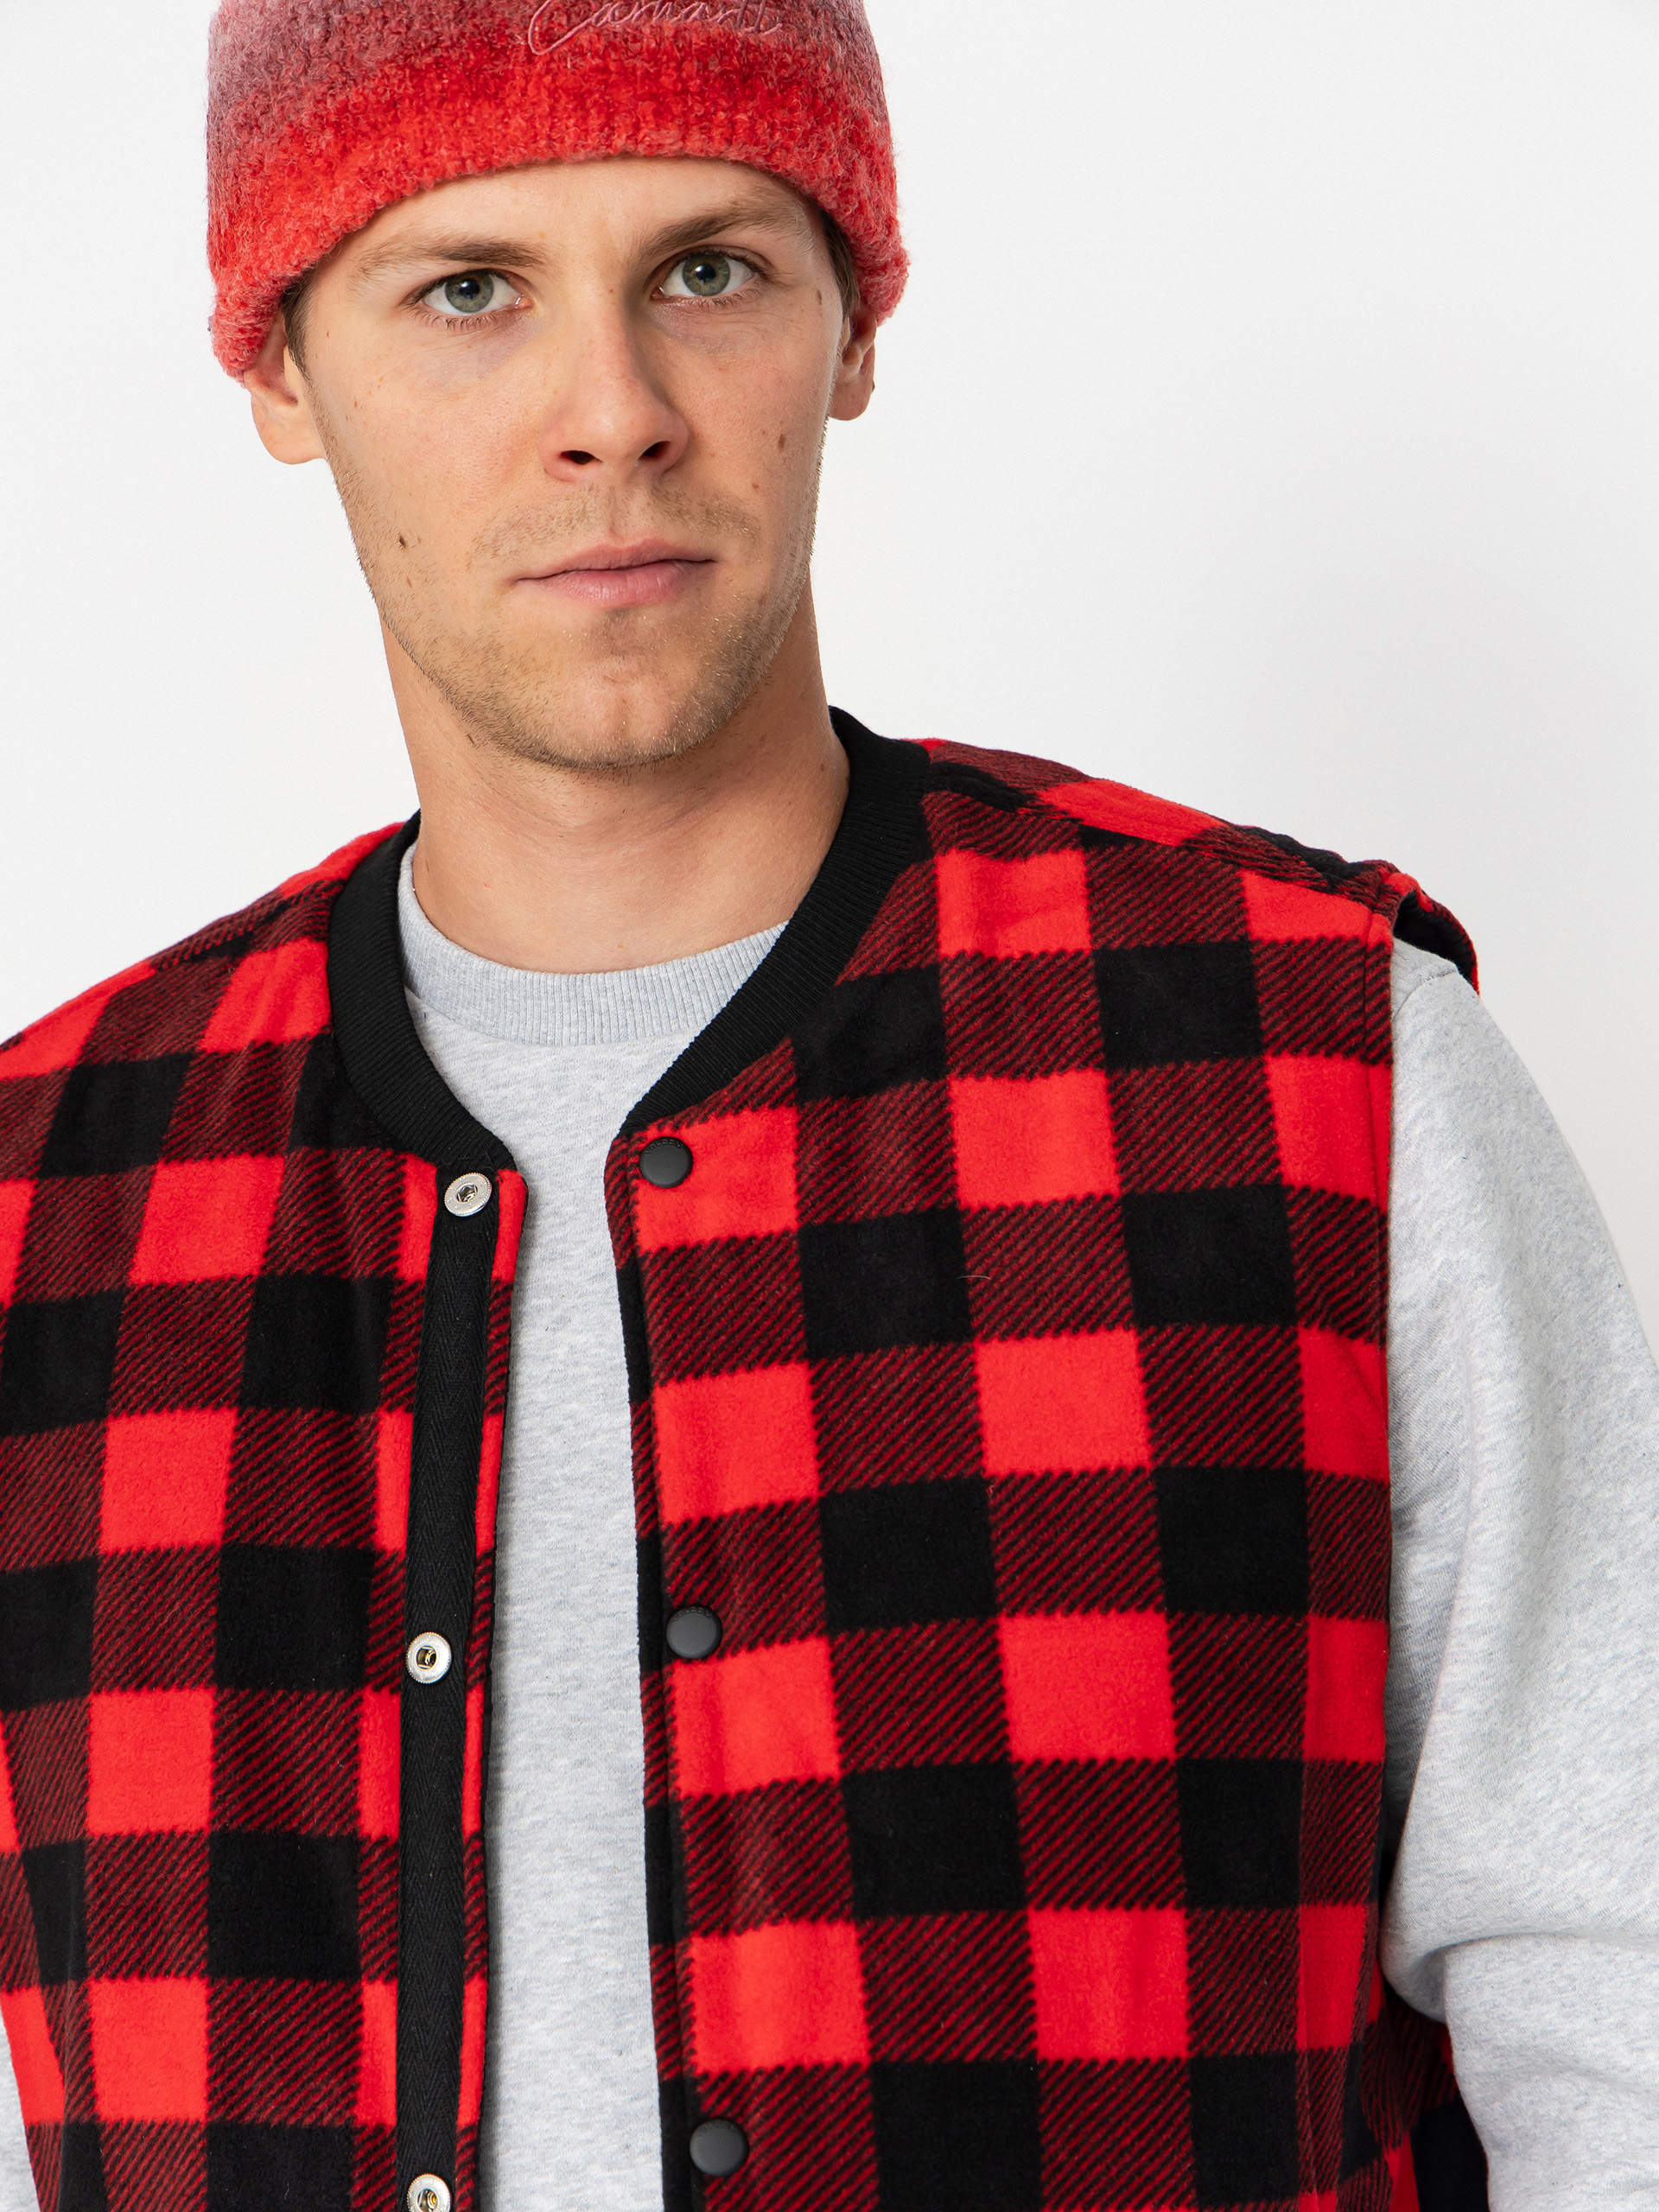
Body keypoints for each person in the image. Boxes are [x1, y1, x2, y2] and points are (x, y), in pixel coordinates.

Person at [1, 3, 1656, 2208]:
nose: (613, 411)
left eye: (708, 269)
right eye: (469, 290)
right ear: (282, 374)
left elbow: (1615, 1993)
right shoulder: (46, 1200)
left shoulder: (1322, 1073)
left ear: (852, 323)